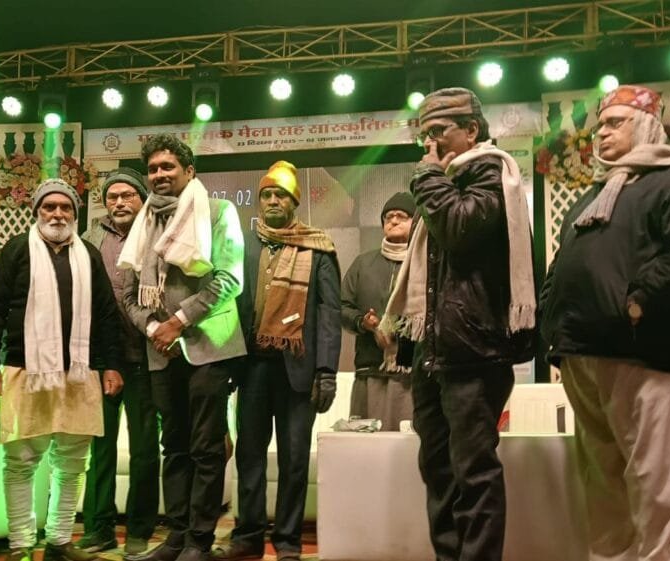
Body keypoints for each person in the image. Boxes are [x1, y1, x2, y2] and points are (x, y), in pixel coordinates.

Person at [540, 85, 670, 561]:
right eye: (599, 126)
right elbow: (562, 263)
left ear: (645, 125)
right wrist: (551, 319)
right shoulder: (592, 195)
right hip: (581, 354)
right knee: (602, 486)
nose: (601, 134)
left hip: (642, 351)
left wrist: (638, 301)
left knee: (659, 487)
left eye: (614, 123)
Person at [378, 87, 536, 561]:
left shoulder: (491, 172)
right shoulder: (444, 182)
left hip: (475, 352)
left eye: (439, 131)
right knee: (438, 471)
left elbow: (460, 229)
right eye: (423, 134)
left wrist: (428, 178)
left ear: (471, 129)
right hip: (435, 353)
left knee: (474, 473)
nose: (430, 143)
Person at [0, 179, 125, 561]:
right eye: (49, 207)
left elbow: (106, 315)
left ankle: (59, 541)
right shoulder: (17, 250)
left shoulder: (88, 255)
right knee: (21, 462)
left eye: (65, 208)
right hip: (23, 370)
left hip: (79, 372)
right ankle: (21, 543)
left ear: (75, 215)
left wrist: (111, 366)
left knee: (72, 463)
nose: (57, 214)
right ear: (37, 212)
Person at [118, 133, 247, 561]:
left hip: (208, 348)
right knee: (172, 447)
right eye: (153, 169)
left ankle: (199, 541)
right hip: (162, 351)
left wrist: (178, 322)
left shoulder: (218, 211)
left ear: (189, 171)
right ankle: (176, 536)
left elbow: (229, 279)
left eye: (167, 167)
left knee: (206, 449)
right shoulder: (144, 223)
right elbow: (129, 295)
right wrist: (156, 327)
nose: (159, 175)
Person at [214, 161, 340, 561]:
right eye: (266, 195)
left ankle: (287, 541)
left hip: (297, 370)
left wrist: (326, 371)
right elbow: (230, 305)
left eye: (280, 196)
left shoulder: (318, 248)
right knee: (249, 455)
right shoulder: (243, 246)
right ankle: (248, 537)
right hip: (251, 368)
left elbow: (329, 313)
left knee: (294, 459)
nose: (272, 201)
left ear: (294, 203)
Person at [78, 168, 160, 555]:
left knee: (144, 450)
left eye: (128, 195)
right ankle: (99, 528)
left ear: (142, 199)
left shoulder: (157, 234)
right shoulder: (89, 238)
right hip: (100, 361)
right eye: (112, 197)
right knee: (101, 449)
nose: (119, 202)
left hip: (145, 358)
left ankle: (140, 529)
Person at [341, 191, 417, 431]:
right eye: (388, 217)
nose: (393, 221)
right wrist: (364, 323)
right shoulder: (363, 264)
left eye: (401, 216)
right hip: (369, 372)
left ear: (416, 222)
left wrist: (401, 331)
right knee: (366, 445)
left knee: (409, 445)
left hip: (413, 376)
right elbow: (340, 307)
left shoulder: (425, 264)